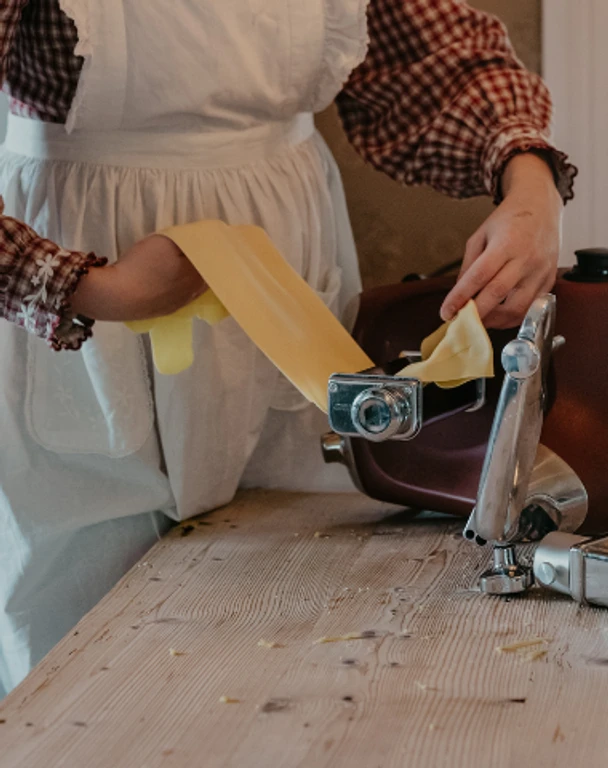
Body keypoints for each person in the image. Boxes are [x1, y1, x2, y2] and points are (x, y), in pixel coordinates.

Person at [0, 0, 576, 697]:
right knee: (84, 651)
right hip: (83, 279)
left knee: (300, 605)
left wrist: (528, 179)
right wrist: (91, 288)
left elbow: (428, 57)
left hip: (286, 276)